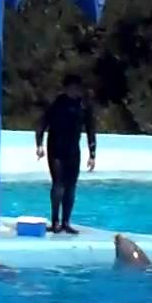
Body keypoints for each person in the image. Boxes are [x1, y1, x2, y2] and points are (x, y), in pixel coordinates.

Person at [35, 73, 97, 234]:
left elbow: (90, 129)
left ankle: (66, 222)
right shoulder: (56, 104)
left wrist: (92, 154)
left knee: (71, 187)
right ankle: (55, 221)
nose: (75, 91)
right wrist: (39, 144)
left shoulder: (83, 106)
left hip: (73, 151)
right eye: (72, 87)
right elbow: (42, 123)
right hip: (55, 150)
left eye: (77, 88)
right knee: (58, 185)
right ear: (66, 88)